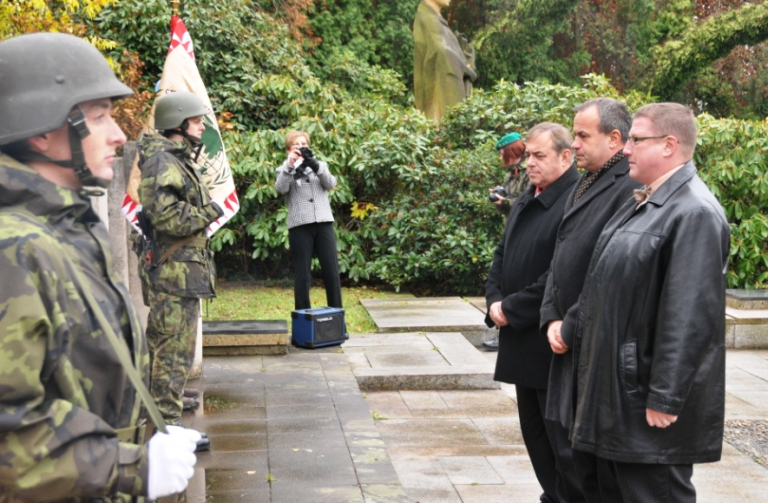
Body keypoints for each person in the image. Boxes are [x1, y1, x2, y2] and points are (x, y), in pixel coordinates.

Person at [0, 32, 199, 502]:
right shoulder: (15, 249)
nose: (119, 135)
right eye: (99, 117)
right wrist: (130, 469)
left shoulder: (65, 229)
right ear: (42, 130)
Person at [571, 103, 729, 503]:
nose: (626, 149)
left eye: (636, 139)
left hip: (645, 405)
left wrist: (666, 396)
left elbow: (690, 316)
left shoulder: (694, 212)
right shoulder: (644, 200)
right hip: (619, 398)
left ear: (669, 145)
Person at [540, 97, 641, 503]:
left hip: (594, 340)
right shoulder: (586, 180)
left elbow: (611, 270)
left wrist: (570, 323)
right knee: (568, 451)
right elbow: (560, 252)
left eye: (583, 135)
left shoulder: (629, 186)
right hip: (565, 337)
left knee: (594, 468)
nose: (575, 143)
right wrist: (549, 315)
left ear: (614, 138)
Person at [485, 123, 582, 503]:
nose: (529, 163)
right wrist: (493, 298)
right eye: (528, 156)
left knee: (561, 441)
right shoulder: (528, 195)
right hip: (518, 339)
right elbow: (502, 252)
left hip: (547, 339)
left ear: (565, 157)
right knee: (534, 435)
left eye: (538, 156)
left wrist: (511, 308)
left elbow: (562, 271)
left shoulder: (575, 198)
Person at [137, 91, 224, 436]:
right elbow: (166, 217)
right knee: (173, 350)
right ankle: (167, 427)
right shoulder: (163, 162)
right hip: (174, 274)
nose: (203, 126)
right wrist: (209, 211)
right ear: (179, 124)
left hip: (181, 273)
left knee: (167, 346)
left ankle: (162, 412)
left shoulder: (174, 159)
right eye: (197, 120)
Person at [275, 130, 343, 311]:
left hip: (323, 223)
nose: (301, 148)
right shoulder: (283, 170)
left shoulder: (320, 165)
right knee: (302, 275)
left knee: (331, 272)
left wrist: (316, 166)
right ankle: (303, 321)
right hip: (299, 225)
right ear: (289, 149)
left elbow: (331, 184)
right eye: (296, 145)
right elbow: (281, 189)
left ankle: (337, 320)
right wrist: (289, 166)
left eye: (304, 144)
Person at [413, 0, 477, 120]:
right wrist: (466, 70)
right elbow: (443, 51)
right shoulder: (427, 17)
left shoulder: (436, 19)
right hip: (439, 96)